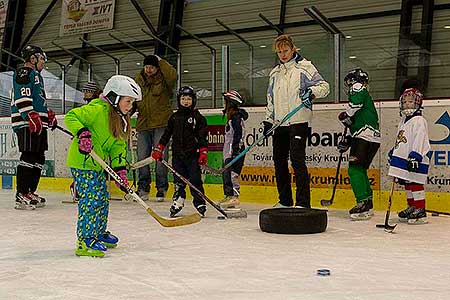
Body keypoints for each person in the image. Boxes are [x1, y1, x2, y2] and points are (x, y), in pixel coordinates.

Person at [65, 75, 141, 257]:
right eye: (128, 101)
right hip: (82, 162)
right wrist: (83, 133)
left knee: (102, 198)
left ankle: (98, 232)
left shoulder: (120, 119)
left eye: (132, 102)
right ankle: (85, 240)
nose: (130, 106)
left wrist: (120, 171)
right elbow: (71, 116)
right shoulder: (97, 109)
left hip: (97, 165)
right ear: (115, 97)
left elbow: (117, 147)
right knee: (91, 200)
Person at [263, 34, 330, 208]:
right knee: (279, 162)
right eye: (279, 52)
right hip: (279, 124)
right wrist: (268, 121)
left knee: (297, 160)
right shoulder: (274, 73)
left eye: (285, 50)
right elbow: (270, 99)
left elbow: (324, 86)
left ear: (293, 49)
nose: (282, 55)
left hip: (298, 122)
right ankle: (285, 200)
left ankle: (303, 202)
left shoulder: (304, 67)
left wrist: (312, 92)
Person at [11, 45, 57, 210]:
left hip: (37, 122)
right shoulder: (24, 72)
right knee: (29, 156)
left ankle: (30, 191)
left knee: (39, 158)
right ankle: (21, 194)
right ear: (33, 58)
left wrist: (47, 114)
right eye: (42, 58)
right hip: (26, 123)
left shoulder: (37, 76)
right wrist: (30, 115)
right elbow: (22, 96)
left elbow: (37, 99)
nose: (43, 62)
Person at [151, 86, 208, 217]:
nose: (186, 101)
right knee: (178, 181)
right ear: (179, 100)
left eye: (189, 99)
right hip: (177, 156)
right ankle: (179, 200)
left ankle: (199, 201)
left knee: (195, 180)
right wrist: (159, 147)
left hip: (192, 155)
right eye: (183, 98)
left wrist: (203, 152)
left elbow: (202, 137)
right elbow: (166, 134)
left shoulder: (198, 118)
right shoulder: (174, 118)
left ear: (193, 100)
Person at [337, 68, 380, 220]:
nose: (349, 86)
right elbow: (356, 121)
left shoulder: (357, 88)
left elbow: (354, 105)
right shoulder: (366, 101)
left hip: (364, 135)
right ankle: (367, 203)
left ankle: (362, 203)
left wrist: (346, 115)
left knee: (354, 170)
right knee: (361, 170)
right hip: (371, 138)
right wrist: (347, 140)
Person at [134, 54, 177, 201]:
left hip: (161, 124)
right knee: (142, 157)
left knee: (160, 156)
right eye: (146, 67)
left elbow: (173, 76)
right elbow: (133, 100)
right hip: (143, 124)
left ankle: (162, 187)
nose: (148, 70)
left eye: (152, 67)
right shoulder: (138, 80)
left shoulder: (164, 80)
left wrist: (161, 61)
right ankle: (143, 187)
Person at [388, 88, 430, 224]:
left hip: (415, 158)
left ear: (417, 103)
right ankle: (412, 206)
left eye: (410, 102)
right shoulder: (403, 120)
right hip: (404, 158)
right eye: (405, 102)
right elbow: (402, 139)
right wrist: (394, 151)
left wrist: (416, 156)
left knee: (415, 183)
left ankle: (420, 210)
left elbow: (420, 139)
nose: (407, 104)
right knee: (407, 182)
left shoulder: (419, 120)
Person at [69, 80, 102, 203]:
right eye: (85, 91)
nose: (86, 93)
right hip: (86, 142)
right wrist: (78, 133)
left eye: (89, 91)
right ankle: (78, 188)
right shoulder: (86, 107)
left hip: (94, 142)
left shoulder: (94, 107)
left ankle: (78, 188)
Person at [219, 90, 248, 209]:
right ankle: (228, 195)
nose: (223, 105)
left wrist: (235, 151)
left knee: (232, 174)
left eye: (225, 102)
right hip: (228, 152)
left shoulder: (236, 118)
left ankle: (234, 197)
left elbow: (238, 135)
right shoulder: (231, 118)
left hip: (234, 152)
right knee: (226, 174)